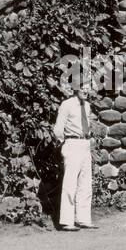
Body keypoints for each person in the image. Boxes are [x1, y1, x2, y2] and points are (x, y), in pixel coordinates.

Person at [52, 83, 97, 231]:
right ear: (75, 88)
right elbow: (58, 129)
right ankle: (67, 221)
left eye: (88, 87)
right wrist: (65, 144)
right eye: (82, 87)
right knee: (70, 183)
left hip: (85, 144)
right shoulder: (67, 105)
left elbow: (87, 125)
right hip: (72, 143)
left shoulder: (87, 106)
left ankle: (83, 219)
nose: (85, 90)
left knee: (85, 183)